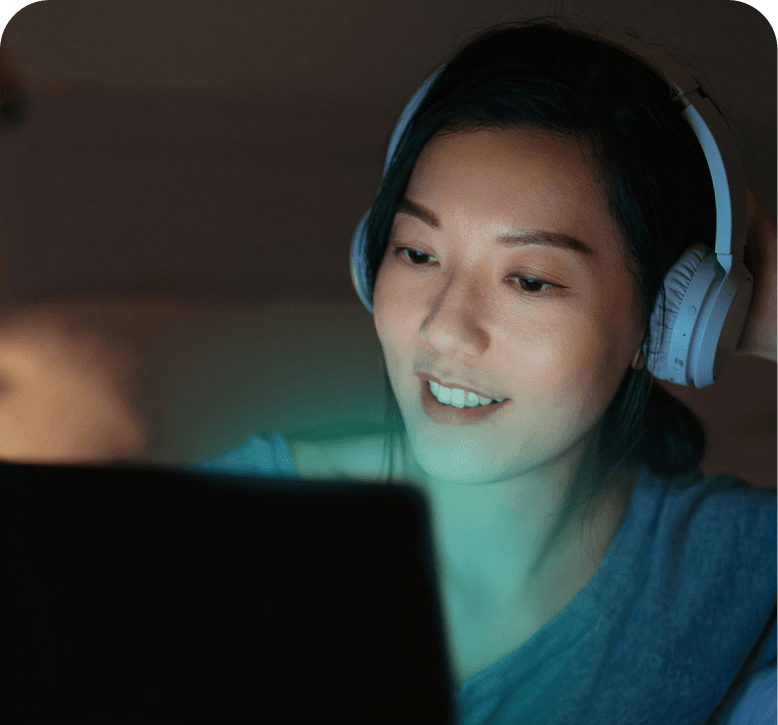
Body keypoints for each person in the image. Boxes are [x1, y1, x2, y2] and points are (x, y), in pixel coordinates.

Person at [194, 16, 777, 725]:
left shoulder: (727, 566)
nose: (444, 327)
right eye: (417, 253)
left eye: (529, 280)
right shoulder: (224, 523)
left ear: (664, 323)